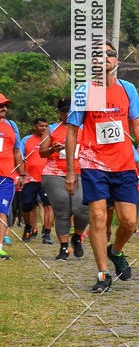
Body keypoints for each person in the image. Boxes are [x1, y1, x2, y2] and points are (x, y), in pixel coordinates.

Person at [65, 41, 139, 293]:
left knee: (129, 222)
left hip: (124, 164)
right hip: (93, 163)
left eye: (110, 54)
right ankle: (103, 273)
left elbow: (137, 123)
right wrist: (71, 170)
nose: (104, 57)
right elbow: (72, 132)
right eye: (98, 54)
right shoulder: (86, 91)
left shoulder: (127, 89)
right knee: (98, 217)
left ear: (116, 61)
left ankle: (115, 251)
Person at [40, 99, 88, 260]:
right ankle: (64, 247)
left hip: (80, 172)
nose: (66, 114)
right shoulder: (52, 129)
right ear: (59, 113)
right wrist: (52, 149)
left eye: (70, 111)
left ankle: (77, 236)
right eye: (63, 111)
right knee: (62, 209)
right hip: (54, 173)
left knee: (81, 208)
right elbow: (42, 152)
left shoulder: (84, 128)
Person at [20, 118, 54, 243]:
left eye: (46, 126)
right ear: (34, 127)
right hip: (30, 179)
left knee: (49, 205)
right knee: (27, 205)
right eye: (41, 126)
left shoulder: (50, 139)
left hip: (47, 177)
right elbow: (20, 157)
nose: (44, 128)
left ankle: (47, 233)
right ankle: (28, 226)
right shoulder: (26, 140)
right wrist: (21, 175)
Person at [0, 93, 24, 258]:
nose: (5, 109)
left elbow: (17, 151)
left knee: (2, 211)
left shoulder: (11, 125)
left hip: (6, 176)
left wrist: (22, 173)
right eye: (1, 106)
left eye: (5, 106)